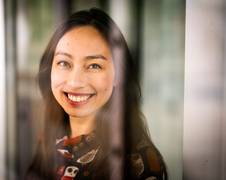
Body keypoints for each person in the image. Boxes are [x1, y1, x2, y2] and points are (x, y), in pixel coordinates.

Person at [25, 8, 168, 180]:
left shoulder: (138, 162)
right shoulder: (52, 135)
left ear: (118, 76)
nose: (75, 82)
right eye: (64, 63)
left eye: (94, 65)